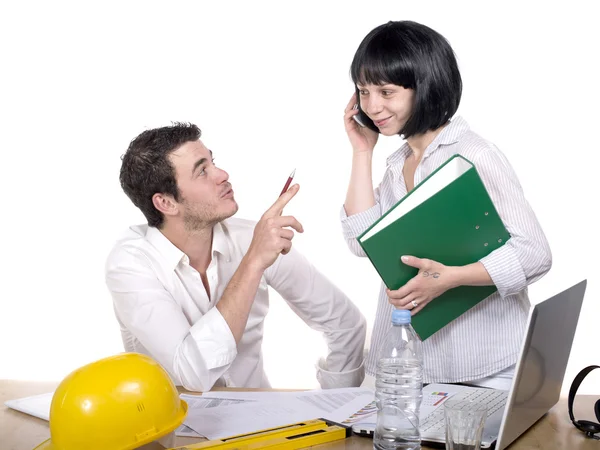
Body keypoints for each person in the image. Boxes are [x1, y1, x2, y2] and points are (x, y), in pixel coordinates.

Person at [341, 20, 551, 389]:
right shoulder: (397, 165)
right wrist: (362, 151)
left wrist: (451, 279)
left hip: (487, 365)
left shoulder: (474, 154)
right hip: (413, 362)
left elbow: (534, 253)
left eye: (386, 92)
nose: (372, 106)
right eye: (363, 91)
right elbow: (362, 244)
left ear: (424, 87)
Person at [105, 122, 366, 392]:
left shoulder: (252, 238)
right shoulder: (129, 265)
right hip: (177, 429)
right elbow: (194, 373)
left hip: (261, 423)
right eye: (202, 171)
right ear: (166, 203)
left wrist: (335, 406)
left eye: (213, 161)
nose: (222, 174)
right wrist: (253, 262)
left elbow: (345, 323)